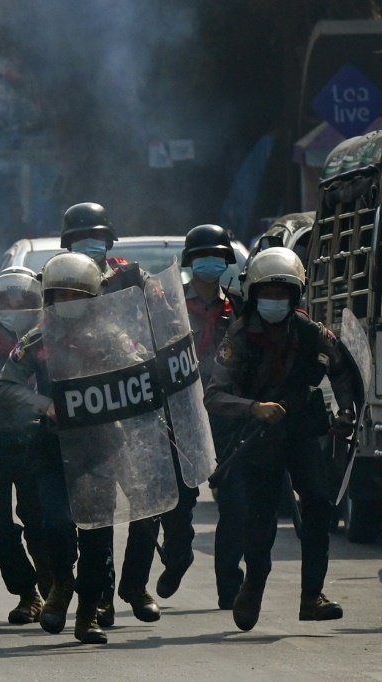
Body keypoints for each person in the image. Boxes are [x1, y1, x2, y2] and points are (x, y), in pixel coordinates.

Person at [204, 246, 356, 631]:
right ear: (254, 294)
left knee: (319, 506)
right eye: (267, 293)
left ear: (295, 296)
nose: (274, 301)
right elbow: (215, 395)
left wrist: (345, 411)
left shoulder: (312, 333)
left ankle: (312, 596)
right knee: (260, 520)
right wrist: (255, 408)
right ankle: (253, 586)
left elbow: (341, 370)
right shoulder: (238, 338)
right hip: (259, 438)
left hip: (302, 431)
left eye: (282, 293)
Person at [0, 252, 116, 644]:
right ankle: (62, 582)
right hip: (52, 449)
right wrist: (43, 405)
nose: (69, 302)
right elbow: (4, 384)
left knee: (98, 535)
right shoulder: (36, 340)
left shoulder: (113, 339)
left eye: (77, 294)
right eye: (61, 295)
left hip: (99, 447)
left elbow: (141, 374)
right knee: (56, 524)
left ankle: (88, 615)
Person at [59, 201, 159, 625]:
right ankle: (98, 596)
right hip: (83, 413)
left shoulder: (132, 276)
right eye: (82, 240)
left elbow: (166, 319)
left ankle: (134, 584)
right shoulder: (60, 279)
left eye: (97, 239)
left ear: (109, 240)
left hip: (134, 401)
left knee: (148, 502)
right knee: (97, 511)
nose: (91, 247)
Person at [0, 266, 50, 624]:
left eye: (25, 300)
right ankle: (26, 591)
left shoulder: (48, 338)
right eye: (9, 301)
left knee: (41, 523)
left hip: (36, 441)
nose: (17, 307)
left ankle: (52, 584)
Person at [180, 224, 244, 609]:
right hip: (182, 417)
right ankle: (177, 556)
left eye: (218, 257)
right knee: (178, 506)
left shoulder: (237, 307)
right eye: (204, 257)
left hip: (226, 417)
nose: (211, 263)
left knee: (235, 504)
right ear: (190, 263)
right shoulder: (169, 307)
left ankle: (229, 587)